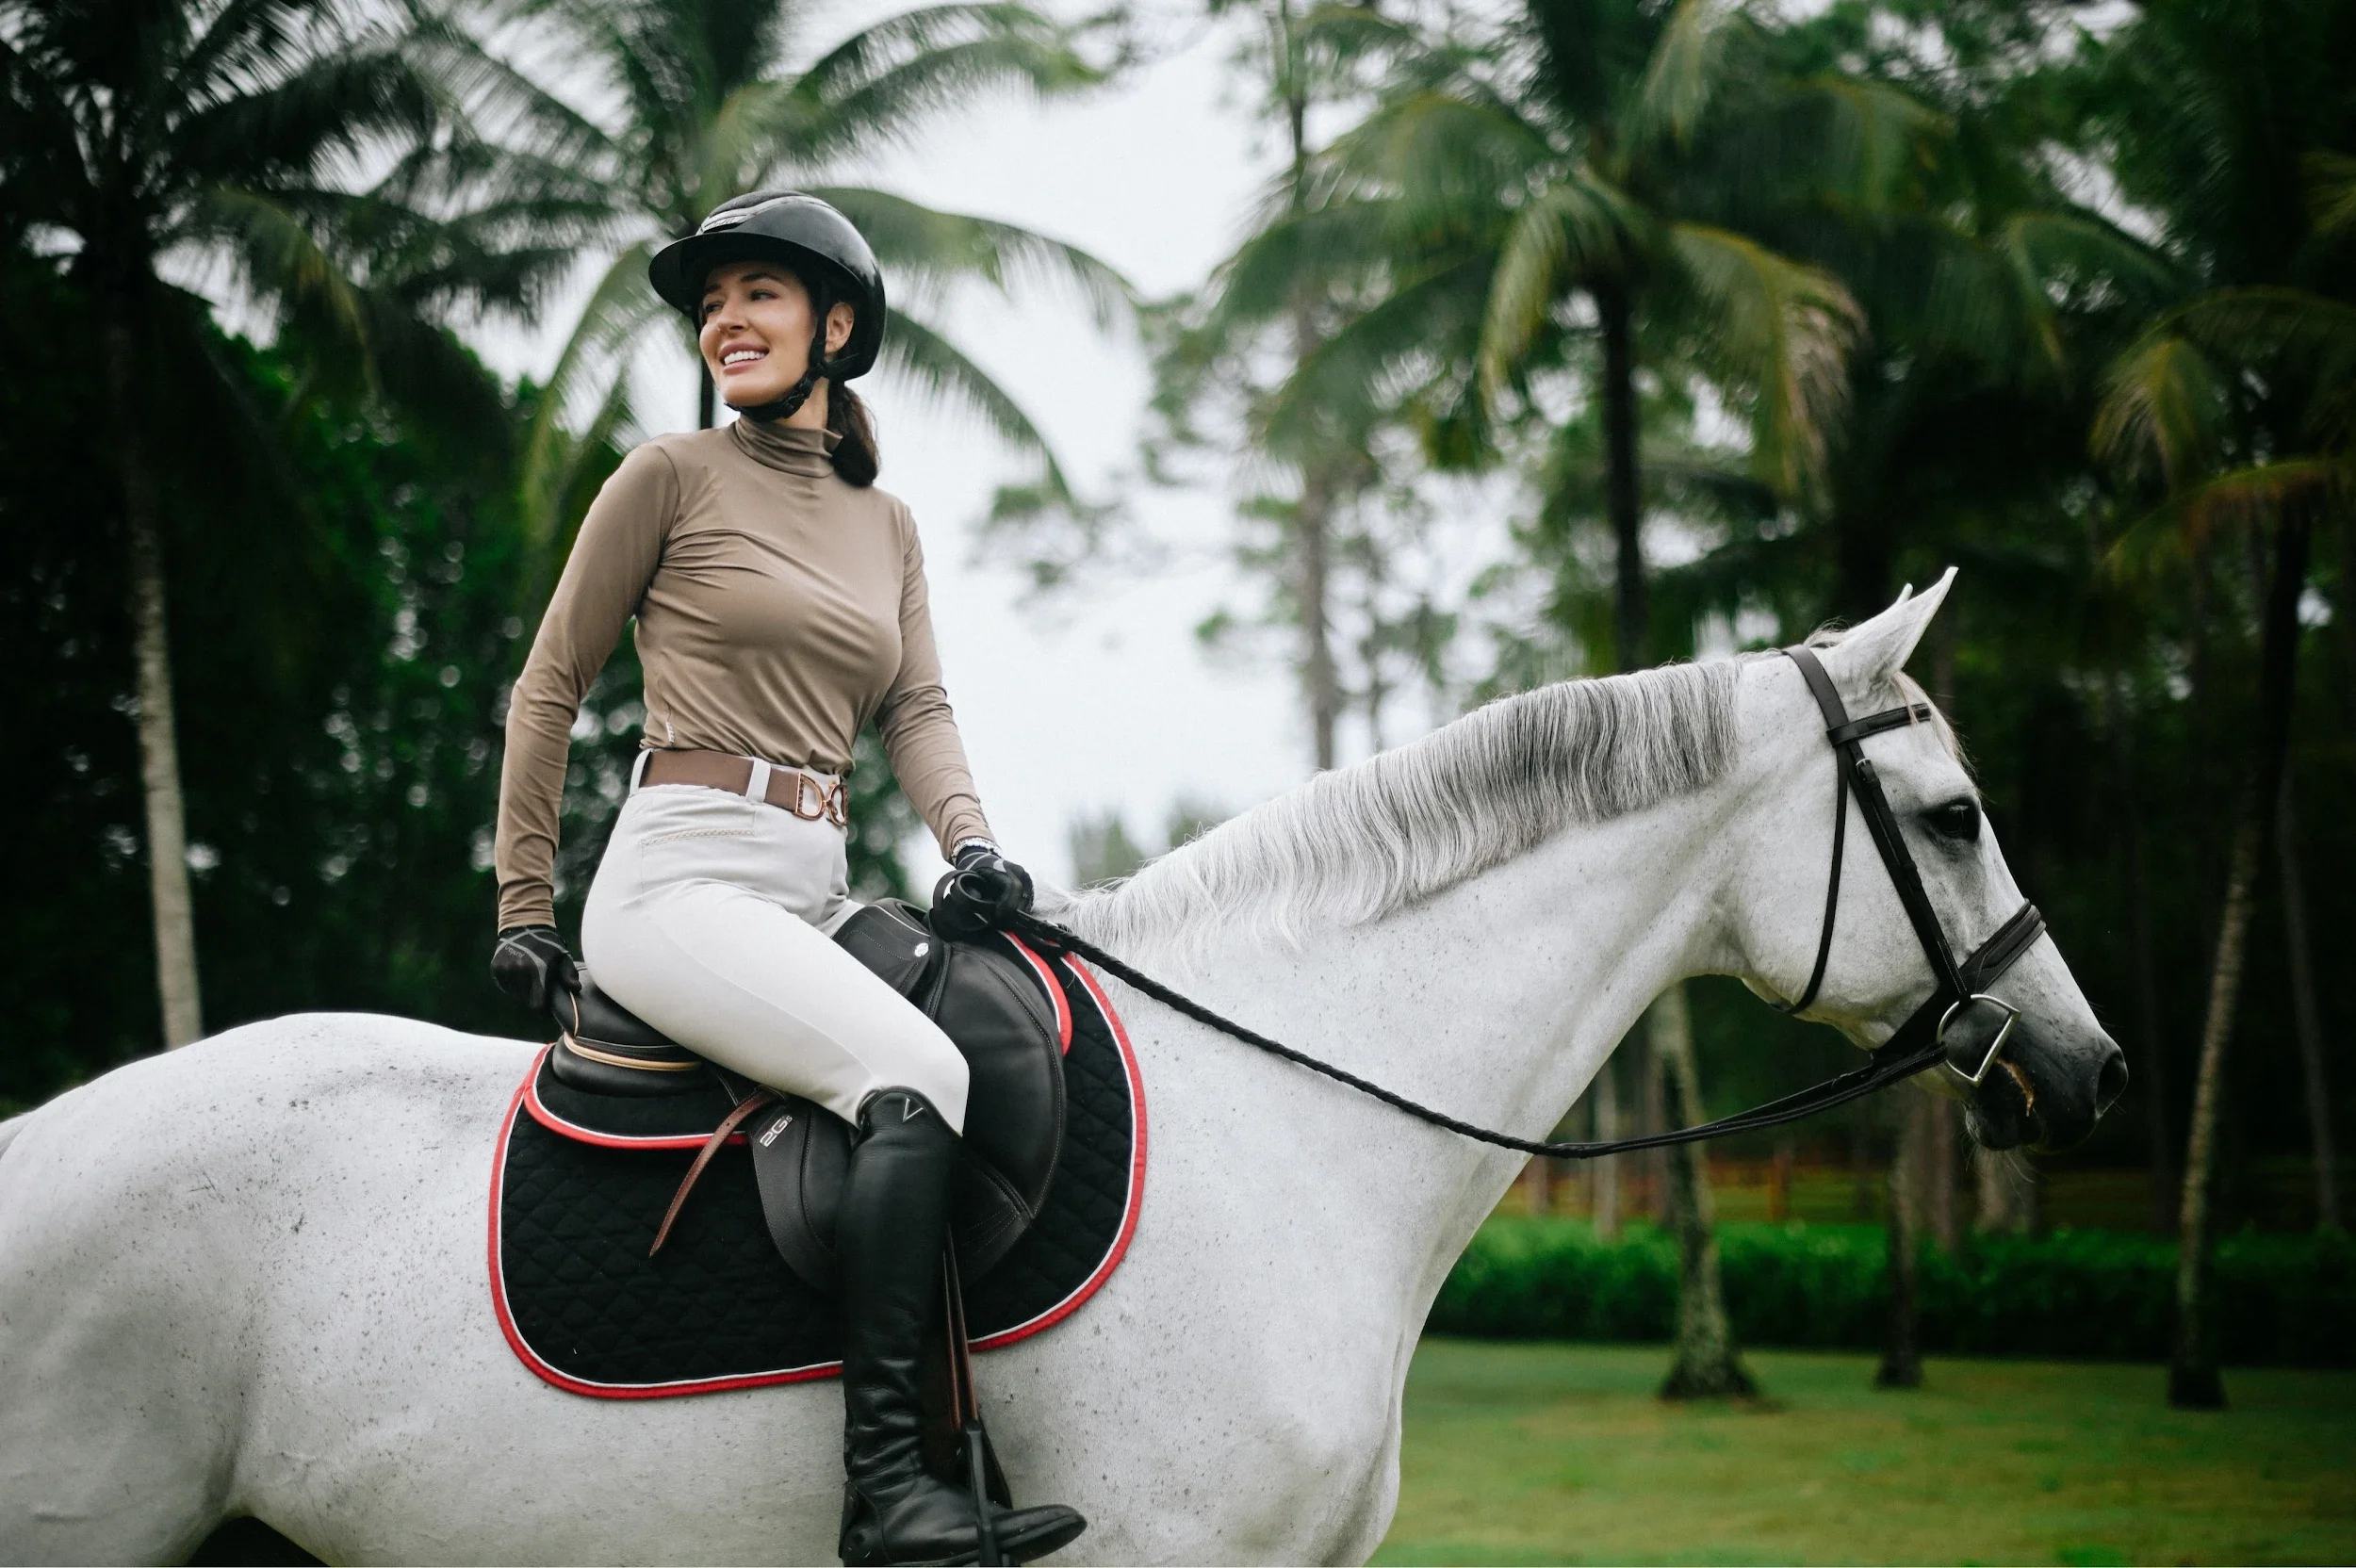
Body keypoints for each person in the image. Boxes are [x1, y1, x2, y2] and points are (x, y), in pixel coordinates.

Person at [486, 189, 1086, 1568]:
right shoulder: (667, 476)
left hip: (813, 881)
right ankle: (888, 1492)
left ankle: (968, 1431)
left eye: (757, 293)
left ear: (837, 325)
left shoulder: (890, 525)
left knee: (1002, 1025)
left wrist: (973, 844)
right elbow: (549, 684)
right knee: (913, 1077)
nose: (725, 323)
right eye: (711, 305)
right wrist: (523, 904)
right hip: (678, 881)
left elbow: (916, 709)